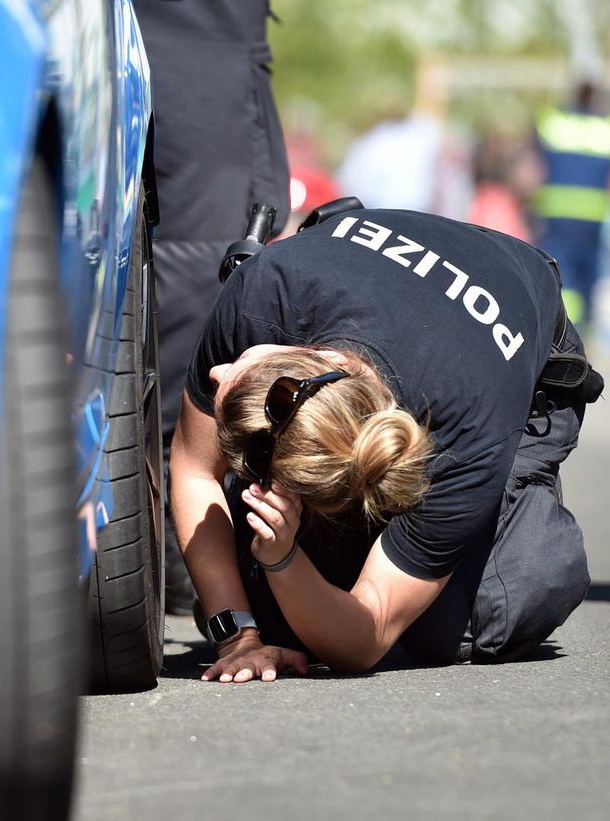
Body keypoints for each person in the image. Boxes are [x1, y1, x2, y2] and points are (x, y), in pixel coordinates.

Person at [171, 202, 602, 682]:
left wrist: (283, 557)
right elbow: (193, 468)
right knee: (278, 614)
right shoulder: (261, 295)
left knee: (457, 622)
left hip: (511, 348)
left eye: (234, 370)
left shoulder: (468, 423)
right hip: (382, 283)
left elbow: (366, 638)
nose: (217, 371)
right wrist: (239, 632)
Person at [133, 0, 290, 614]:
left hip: (202, 73)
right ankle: (185, 559)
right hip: (192, 81)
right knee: (198, 299)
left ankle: (179, 556)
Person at [533, 80, 610, 330]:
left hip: (556, 209)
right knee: (588, 271)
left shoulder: (553, 121)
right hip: (592, 212)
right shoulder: (604, 126)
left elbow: (534, 156)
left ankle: (562, 326)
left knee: (559, 269)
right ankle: (583, 327)